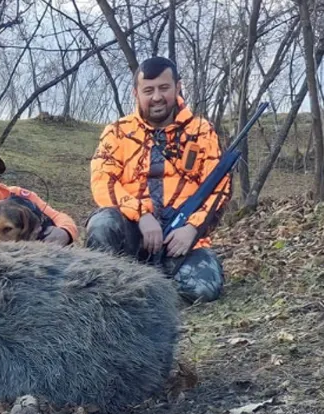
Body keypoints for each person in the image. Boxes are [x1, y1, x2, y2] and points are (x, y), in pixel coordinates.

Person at [86, 56, 229, 303]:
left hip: (183, 240)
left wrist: (191, 229)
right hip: (134, 233)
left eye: (164, 88)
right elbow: (102, 180)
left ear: (178, 87)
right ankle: (108, 293)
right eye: (148, 90)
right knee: (102, 224)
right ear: (136, 93)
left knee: (203, 289)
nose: (157, 97)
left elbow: (219, 189)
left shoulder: (202, 131)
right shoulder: (117, 132)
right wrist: (141, 214)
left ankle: (144, 290)